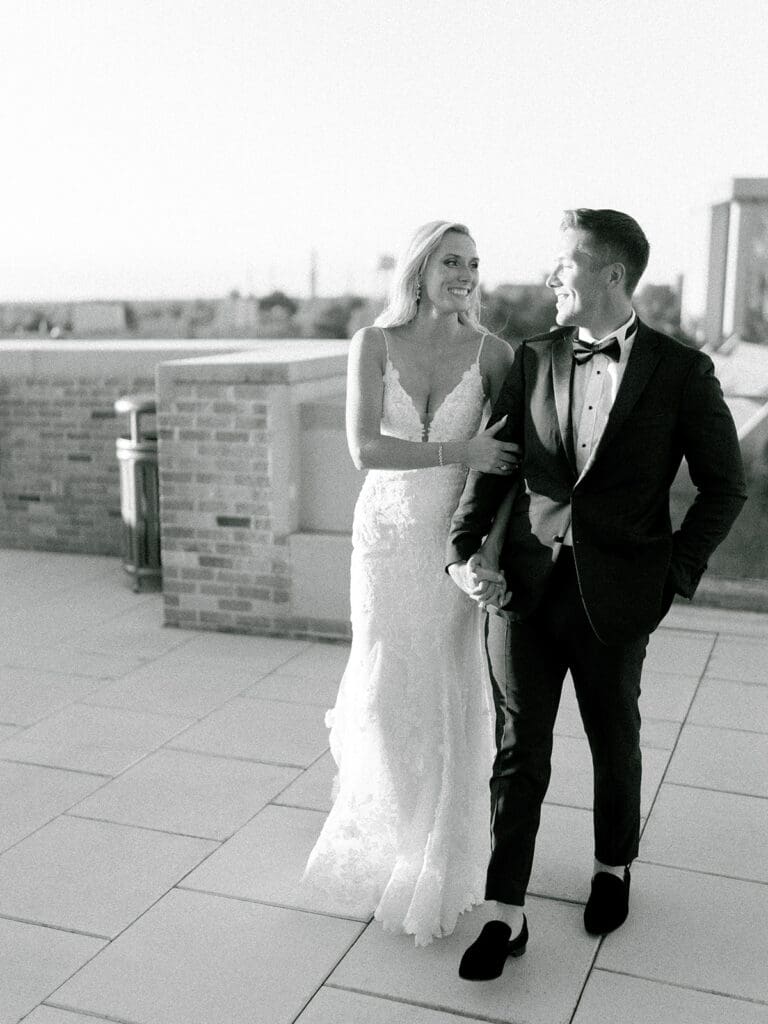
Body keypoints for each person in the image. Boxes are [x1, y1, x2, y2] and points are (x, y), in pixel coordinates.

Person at [447, 208, 747, 981]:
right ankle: (503, 911)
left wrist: (672, 574)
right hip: (522, 587)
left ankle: (613, 867)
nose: (552, 277)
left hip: (619, 595)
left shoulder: (682, 372)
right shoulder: (532, 356)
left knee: (615, 742)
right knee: (520, 752)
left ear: (611, 274)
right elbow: (498, 462)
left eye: (564, 264)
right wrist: (459, 552)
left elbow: (725, 488)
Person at [302, 220, 519, 945]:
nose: (466, 273)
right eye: (452, 260)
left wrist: (482, 554)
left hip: (448, 544)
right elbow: (364, 447)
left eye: (475, 264)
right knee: (386, 684)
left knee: (449, 687)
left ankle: (440, 855)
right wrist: (460, 447)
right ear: (421, 269)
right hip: (386, 539)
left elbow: (506, 471)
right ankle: (390, 840)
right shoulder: (373, 343)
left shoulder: (495, 354)